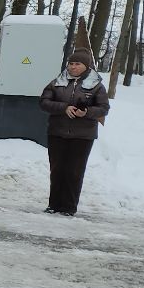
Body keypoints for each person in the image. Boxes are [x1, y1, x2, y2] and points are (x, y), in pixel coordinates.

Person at [38, 49, 110, 216]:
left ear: (86, 66)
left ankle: (69, 207)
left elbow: (104, 108)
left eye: (77, 64)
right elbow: (44, 102)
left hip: (83, 136)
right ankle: (54, 204)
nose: (73, 67)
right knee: (57, 169)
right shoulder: (57, 82)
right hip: (57, 132)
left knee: (74, 171)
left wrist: (86, 112)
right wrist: (64, 108)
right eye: (71, 63)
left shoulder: (96, 85)